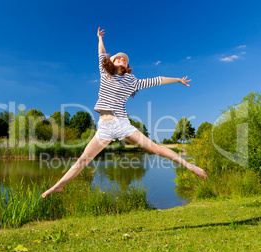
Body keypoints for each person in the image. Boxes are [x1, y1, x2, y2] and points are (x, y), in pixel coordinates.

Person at [41, 27, 207, 198]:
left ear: (127, 65)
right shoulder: (105, 74)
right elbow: (102, 54)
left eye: (125, 59)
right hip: (104, 128)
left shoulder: (132, 81)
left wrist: (177, 80)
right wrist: (100, 39)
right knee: (84, 159)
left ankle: (190, 166)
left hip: (120, 123)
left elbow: (158, 80)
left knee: (155, 149)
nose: (122, 59)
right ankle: (58, 186)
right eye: (118, 58)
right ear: (112, 63)